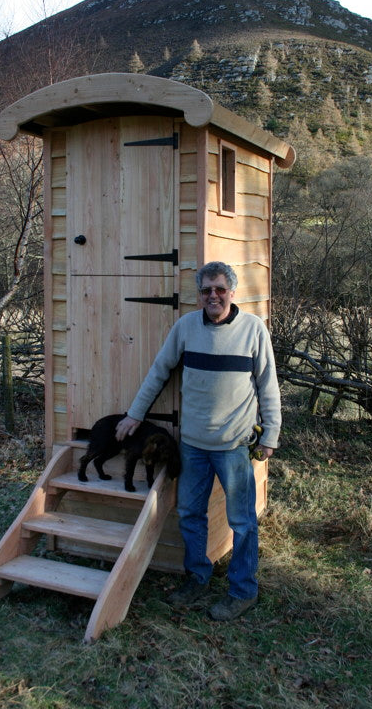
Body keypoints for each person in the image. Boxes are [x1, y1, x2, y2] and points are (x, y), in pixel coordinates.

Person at [115, 261, 281, 621]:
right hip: (192, 444)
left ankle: (242, 590)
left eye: (219, 289)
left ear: (232, 291)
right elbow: (159, 371)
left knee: (241, 522)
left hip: (234, 447)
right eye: (206, 290)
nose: (213, 296)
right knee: (190, 513)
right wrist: (134, 414)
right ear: (199, 294)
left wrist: (271, 434)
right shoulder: (186, 327)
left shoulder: (253, 330)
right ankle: (197, 577)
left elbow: (268, 385)